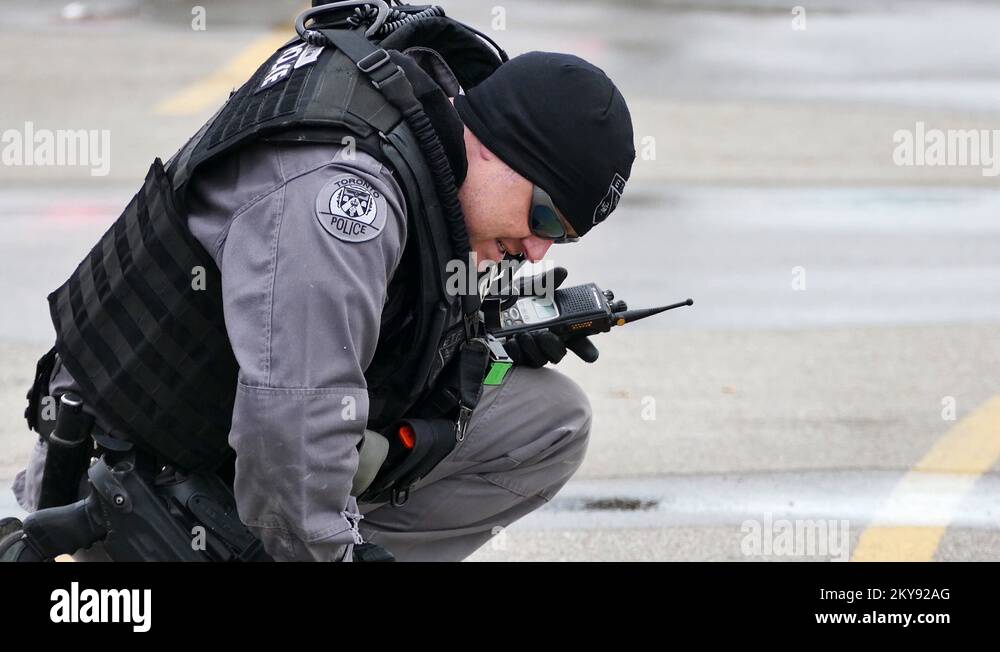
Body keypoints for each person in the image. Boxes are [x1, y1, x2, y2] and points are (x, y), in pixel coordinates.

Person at [10, 4, 635, 562]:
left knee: (547, 418)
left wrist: (486, 344)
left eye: (564, 235)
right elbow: (294, 438)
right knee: (308, 497)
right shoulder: (342, 202)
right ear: (500, 146)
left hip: (225, 438)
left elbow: (387, 316)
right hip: (129, 481)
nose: (538, 248)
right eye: (545, 215)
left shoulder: (428, 149)